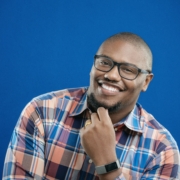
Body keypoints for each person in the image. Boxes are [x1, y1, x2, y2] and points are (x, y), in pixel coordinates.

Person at [3, 32, 180, 180]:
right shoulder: (42, 112)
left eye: (127, 69)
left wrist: (107, 165)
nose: (111, 75)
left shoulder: (162, 151)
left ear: (146, 82)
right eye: (104, 62)